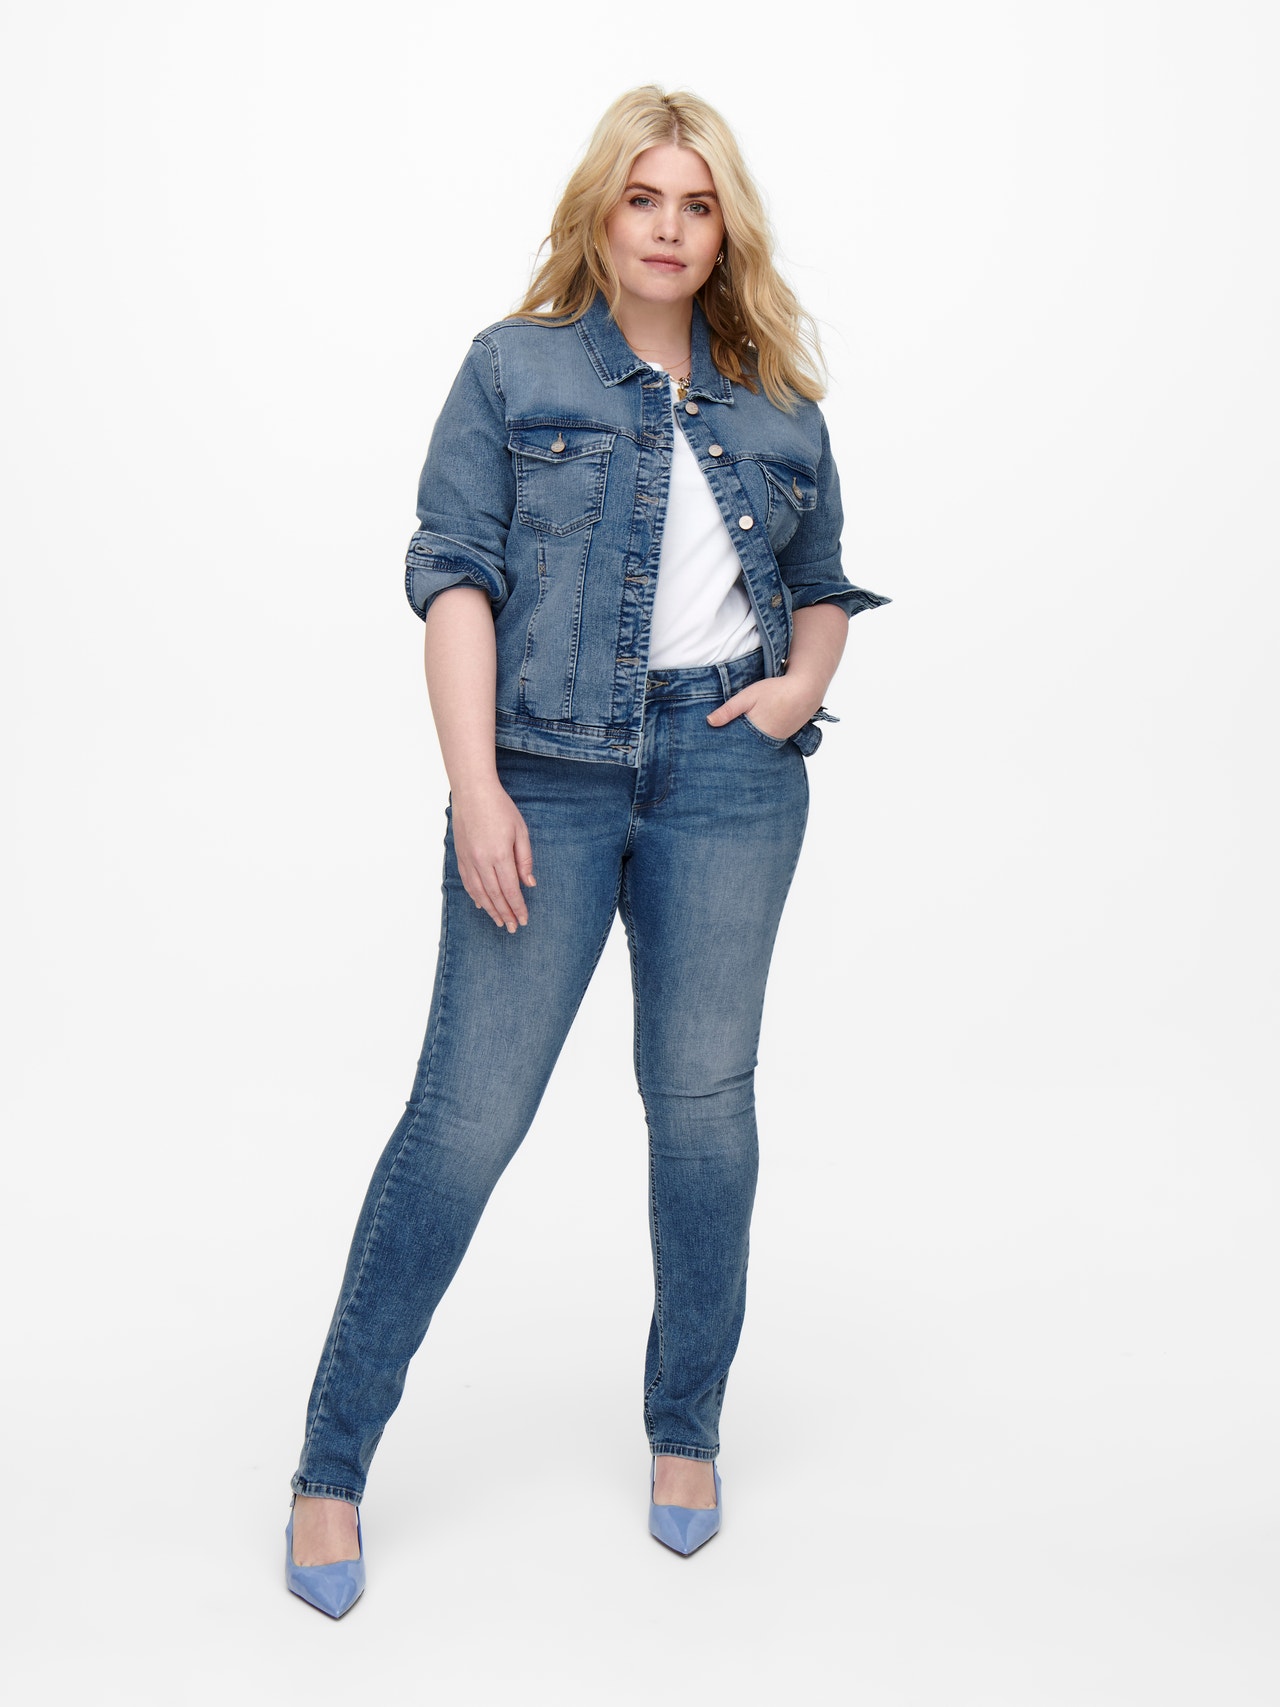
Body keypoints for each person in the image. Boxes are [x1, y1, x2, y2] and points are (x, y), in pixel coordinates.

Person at [284, 83, 890, 1616]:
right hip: (542, 782)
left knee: (703, 1114)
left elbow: (821, 579)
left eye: (697, 204)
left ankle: (686, 1432)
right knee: (463, 1124)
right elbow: (455, 580)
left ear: (724, 229)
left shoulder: (779, 402)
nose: (669, 228)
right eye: (644, 198)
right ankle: (330, 1467)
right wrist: (476, 787)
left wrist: (798, 689)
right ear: (601, 212)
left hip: (728, 779)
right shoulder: (515, 368)